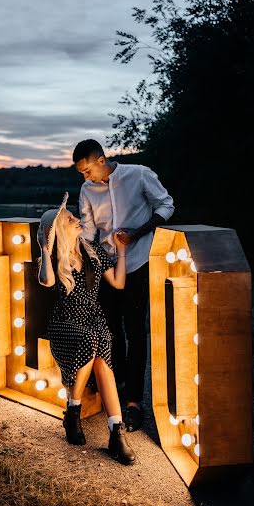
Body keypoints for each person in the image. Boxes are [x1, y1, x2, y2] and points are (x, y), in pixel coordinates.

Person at [73, 139, 174, 432]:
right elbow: (89, 230)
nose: (85, 177)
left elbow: (166, 205)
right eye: (81, 173)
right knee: (111, 331)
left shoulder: (139, 174)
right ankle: (114, 390)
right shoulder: (86, 190)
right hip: (106, 267)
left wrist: (138, 233)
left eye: (88, 170)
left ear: (101, 160)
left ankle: (134, 402)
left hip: (138, 263)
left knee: (135, 332)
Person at [37, 192, 136, 465]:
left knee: (103, 354)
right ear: (58, 229)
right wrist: (45, 249)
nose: (77, 219)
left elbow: (118, 282)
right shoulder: (56, 256)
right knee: (92, 341)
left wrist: (122, 251)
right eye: (70, 219)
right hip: (65, 323)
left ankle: (116, 433)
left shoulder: (92, 251)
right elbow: (45, 281)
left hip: (93, 319)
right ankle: (74, 412)